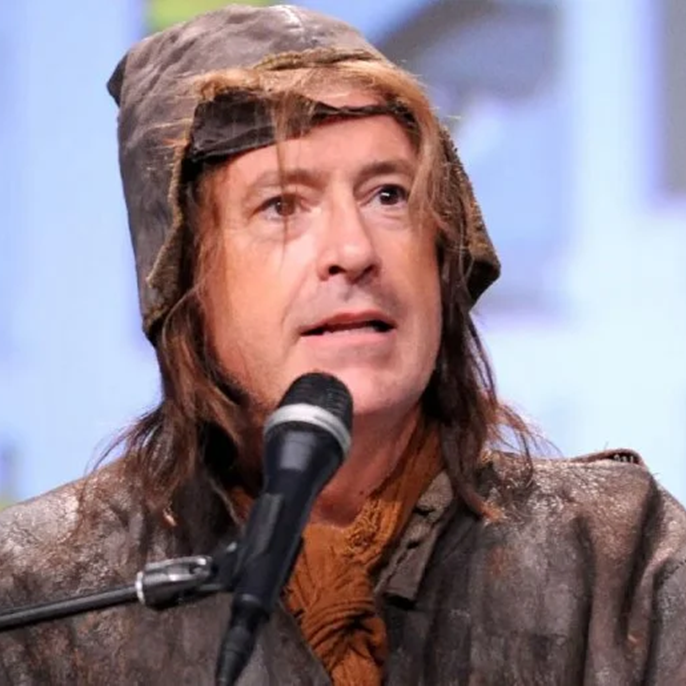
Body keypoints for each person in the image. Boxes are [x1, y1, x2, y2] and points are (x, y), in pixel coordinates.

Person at [1, 4, 685, 684]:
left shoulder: (619, 558)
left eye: (388, 195)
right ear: (185, 281)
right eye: (282, 206)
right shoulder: (41, 594)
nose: (353, 251)